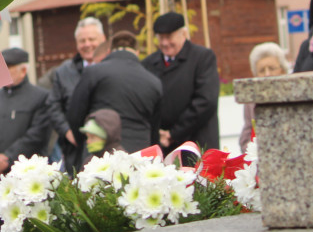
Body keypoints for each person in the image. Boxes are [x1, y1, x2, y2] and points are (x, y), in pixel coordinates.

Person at [0, 48, 50, 232]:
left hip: (27, 183)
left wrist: (7, 158)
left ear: (23, 70)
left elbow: (37, 135)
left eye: (8, 68)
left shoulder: (40, 97)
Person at [66, 30, 161, 158]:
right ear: (137, 52)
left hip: (100, 153)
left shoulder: (93, 72)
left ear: (109, 51)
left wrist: (84, 140)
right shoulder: (154, 82)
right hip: (139, 154)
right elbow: (154, 127)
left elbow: (75, 114)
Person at [141, 11, 221, 155]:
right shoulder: (148, 63)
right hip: (162, 147)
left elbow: (206, 101)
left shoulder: (202, 58)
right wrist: (157, 133)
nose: (164, 43)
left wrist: (173, 133)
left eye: (169, 37)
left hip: (196, 143)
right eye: (160, 38)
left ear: (183, 34)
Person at [45, 17, 105, 171]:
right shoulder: (64, 72)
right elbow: (53, 105)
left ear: (103, 39)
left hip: (108, 147)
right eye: (82, 41)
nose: (87, 44)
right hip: (76, 150)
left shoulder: (112, 67)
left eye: (92, 39)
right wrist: (67, 131)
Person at [238, 42, 289, 149]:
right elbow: (245, 137)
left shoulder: (292, 96)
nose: (267, 74)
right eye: (262, 70)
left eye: (271, 68)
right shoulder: (251, 101)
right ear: (255, 75)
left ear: (282, 70)